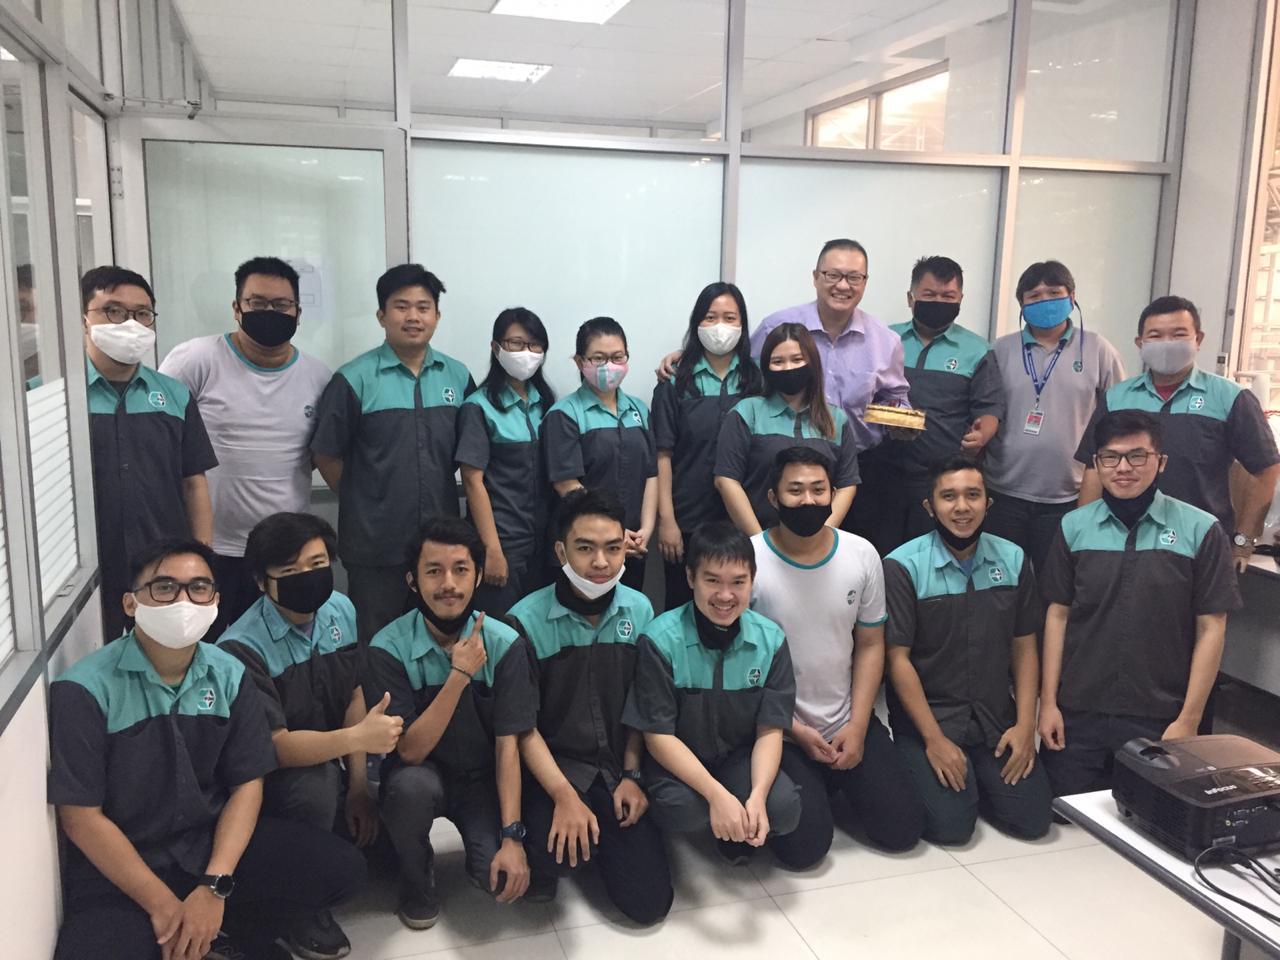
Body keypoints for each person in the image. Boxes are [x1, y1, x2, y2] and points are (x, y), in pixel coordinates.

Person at [49, 538, 364, 960]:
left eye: (199, 588)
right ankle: (204, 936)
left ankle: (227, 931)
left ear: (215, 601)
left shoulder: (229, 672)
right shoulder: (84, 689)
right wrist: (163, 905)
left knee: (342, 870)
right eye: (164, 587)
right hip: (124, 868)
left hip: (208, 846)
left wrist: (215, 886)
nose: (184, 601)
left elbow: (247, 784)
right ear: (130, 603)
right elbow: (81, 817)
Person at [219, 512, 401, 959]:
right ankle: (299, 907)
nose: (308, 577)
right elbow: (277, 747)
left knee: (384, 845)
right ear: (262, 582)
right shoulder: (240, 648)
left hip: (333, 752)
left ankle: (341, 826)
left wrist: (359, 788)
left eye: (317, 564)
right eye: (290, 570)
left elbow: (353, 694)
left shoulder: (340, 609)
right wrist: (358, 740)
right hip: (271, 781)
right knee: (315, 785)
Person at [1038, 410, 1241, 796]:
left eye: (1137, 456)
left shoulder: (1200, 530)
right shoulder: (1074, 527)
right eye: (1110, 457)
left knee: (1152, 816)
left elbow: (1211, 627)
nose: (1123, 468)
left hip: (1160, 714)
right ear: (1097, 463)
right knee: (1061, 813)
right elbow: (1058, 615)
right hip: (1080, 710)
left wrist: (1189, 719)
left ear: (1160, 462)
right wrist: (1047, 703)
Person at [506, 488, 673, 924]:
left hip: (617, 768)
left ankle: (602, 839)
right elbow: (522, 727)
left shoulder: (640, 610)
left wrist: (633, 775)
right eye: (585, 549)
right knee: (553, 856)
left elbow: (643, 703)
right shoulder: (524, 621)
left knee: (649, 905)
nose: (601, 562)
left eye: (613, 549)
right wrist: (563, 795)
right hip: (556, 770)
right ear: (561, 551)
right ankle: (576, 838)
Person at [750, 446, 925, 855]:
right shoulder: (750, 560)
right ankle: (817, 785)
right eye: (795, 490)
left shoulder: (861, 554)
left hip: (847, 719)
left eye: (818, 489)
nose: (808, 500)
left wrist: (859, 726)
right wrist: (794, 729)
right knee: (805, 849)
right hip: (780, 729)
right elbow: (743, 664)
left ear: (832, 494)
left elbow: (870, 644)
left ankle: (831, 781)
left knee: (903, 831)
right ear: (773, 497)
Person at [365, 517, 534, 929]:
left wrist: (512, 836)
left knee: (496, 880)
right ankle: (415, 877)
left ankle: (483, 843)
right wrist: (459, 675)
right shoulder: (387, 648)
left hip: (481, 779)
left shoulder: (505, 643)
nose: (449, 584)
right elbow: (410, 751)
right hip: (422, 774)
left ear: (478, 576)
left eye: (461, 570)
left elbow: (509, 744)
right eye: (433, 571)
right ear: (412, 580)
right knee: (410, 789)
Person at [160, 256, 332, 641]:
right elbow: (161, 440)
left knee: (281, 653)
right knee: (205, 649)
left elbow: (318, 455)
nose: (270, 312)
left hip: (286, 557)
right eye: (257, 303)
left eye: (281, 305)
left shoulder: (319, 377)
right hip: (209, 549)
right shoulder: (194, 361)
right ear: (237, 308)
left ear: (298, 313)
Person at [624, 522, 815, 867]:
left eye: (738, 582)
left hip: (737, 755)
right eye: (712, 581)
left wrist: (757, 796)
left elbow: (770, 728)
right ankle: (712, 819)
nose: (725, 596)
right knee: (684, 810)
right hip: (680, 755)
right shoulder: (660, 639)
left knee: (783, 810)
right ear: (690, 578)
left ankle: (736, 820)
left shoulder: (770, 640)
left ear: (752, 580)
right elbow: (658, 736)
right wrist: (716, 795)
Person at [884, 456, 1051, 844]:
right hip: (931, 720)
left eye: (973, 495)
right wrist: (934, 740)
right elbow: (897, 659)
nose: (962, 507)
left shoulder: (1013, 559)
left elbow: (1025, 646)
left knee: (1034, 820)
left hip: (994, 718)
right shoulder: (902, 566)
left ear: (987, 503)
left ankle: (981, 779)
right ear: (930, 506)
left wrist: (1025, 726)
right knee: (952, 827)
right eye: (949, 497)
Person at [311, 264, 475, 644]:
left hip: (441, 547)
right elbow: (325, 454)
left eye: (423, 307)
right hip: (375, 548)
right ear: (381, 315)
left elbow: (469, 457)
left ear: (437, 316)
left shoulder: (457, 376)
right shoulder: (354, 378)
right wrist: (365, 498)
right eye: (401, 306)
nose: (413, 316)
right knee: (378, 644)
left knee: (440, 641)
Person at [1075, 295, 1280, 573]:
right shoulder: (1117, 397)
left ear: (1198, 339)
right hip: (1121, 540)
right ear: (1140, 343)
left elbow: (1266, 469)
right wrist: (1083, 532)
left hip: (1199, 543)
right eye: (1156, 336)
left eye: (1178, 334)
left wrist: (1244, 541)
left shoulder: (1230, 398)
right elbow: (1093, 468)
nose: (1167, 343)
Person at [657, 239, 910, 453]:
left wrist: (903, 420)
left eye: (854, 277)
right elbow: (737, 360)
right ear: (815, 277)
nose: (843, 285)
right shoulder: (776, 327)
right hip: (785, 461)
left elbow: (895, 399)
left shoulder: (886, 342)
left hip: (861, 460)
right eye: (833, 275)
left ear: (865, 281)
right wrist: (690, 355)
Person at [82, 266, 217, 643]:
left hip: (162, 567)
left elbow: (194, 484)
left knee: (167, 657)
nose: (130, 323)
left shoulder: (174, 395)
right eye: (113, 311)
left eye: (142, 313)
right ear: (84, 319)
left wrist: (201, 561)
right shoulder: (52, 395)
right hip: (83, 573)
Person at [982, 260, 1125, 574]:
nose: (1044, 300)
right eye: (1034, 295)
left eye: (1054, 293)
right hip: (1004, 493)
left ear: (1072, 297)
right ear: (1021, 304)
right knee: (1002, 582)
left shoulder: (1098, 350)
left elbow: (1120, 420)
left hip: (1069, 496)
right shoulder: (1001, 350)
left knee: (1057, 585)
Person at [854, 256, 1003, 555]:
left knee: (930, 558)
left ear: (960, 299)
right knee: (876, 553)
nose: (938, 302)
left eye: (948, 296)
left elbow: (989, 407)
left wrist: (982, 434)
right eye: (929, 295)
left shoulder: (977, 350)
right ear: (911, 298)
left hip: (939, 477)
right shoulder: (884, 339)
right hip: (879, 471)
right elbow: (859, 395)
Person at [653, 282, 763, 609]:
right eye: (710, 317)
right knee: (682, 604)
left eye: (730, 318)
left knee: (735, 604)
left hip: (744, 518)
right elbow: (662, 455)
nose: (720, 326)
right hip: (687, 518)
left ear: (742, 325)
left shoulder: (757, 380)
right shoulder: (675, 381)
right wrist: (667, 521)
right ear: (696, 322)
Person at [541, 317, 657, 591]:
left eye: (617, 357)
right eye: (598, 358)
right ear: (580, 362)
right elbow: (566, 483)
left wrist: (646, 530)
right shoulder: (564, 414)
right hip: (586, 546)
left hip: (633, 545)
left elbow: (651, 474)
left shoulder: (639, 410)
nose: (609, 365)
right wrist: (614, 534)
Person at [457, 308, 557, 616]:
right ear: (496, 347)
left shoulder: (547, 403)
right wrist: (492, 550)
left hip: (544, 543)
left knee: (539, 630)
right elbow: (472, 481)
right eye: (516, 343)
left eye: (534, 345)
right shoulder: (479, 407)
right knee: (502, 631)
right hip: (503, 543)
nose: (526, 352)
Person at [714, 322, 859, 535]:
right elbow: (726, 480)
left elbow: (846, 484)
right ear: (766, 367)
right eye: (778, 361)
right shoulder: (746, 412)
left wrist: (822, 537)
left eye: (797, 359)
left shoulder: (836, 419)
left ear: (812, 363)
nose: (788, 368)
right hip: (755, 539)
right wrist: (759, 543)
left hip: (820, 544)